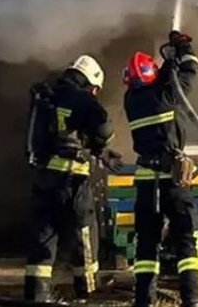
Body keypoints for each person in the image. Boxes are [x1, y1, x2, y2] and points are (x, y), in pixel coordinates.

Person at [24, 53, 122, 303]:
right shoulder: (84, 100)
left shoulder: (46, 96)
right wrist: (102, 146)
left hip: (45, 178)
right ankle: (87, 291)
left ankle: (37, 294)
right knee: (84, 234)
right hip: (74, 180)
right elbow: (103, 129)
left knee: (44, 235)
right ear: (90, 81)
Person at [124, 31, 198, 307]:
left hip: (147, 182)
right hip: (173, 181)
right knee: (186, 240)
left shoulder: (131, 100)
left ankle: (143, 301)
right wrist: (181, 46)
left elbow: (160, 83)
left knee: (146, 246)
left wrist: (167, 64)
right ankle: (193, 299)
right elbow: (190, 69)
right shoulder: (168, 93)